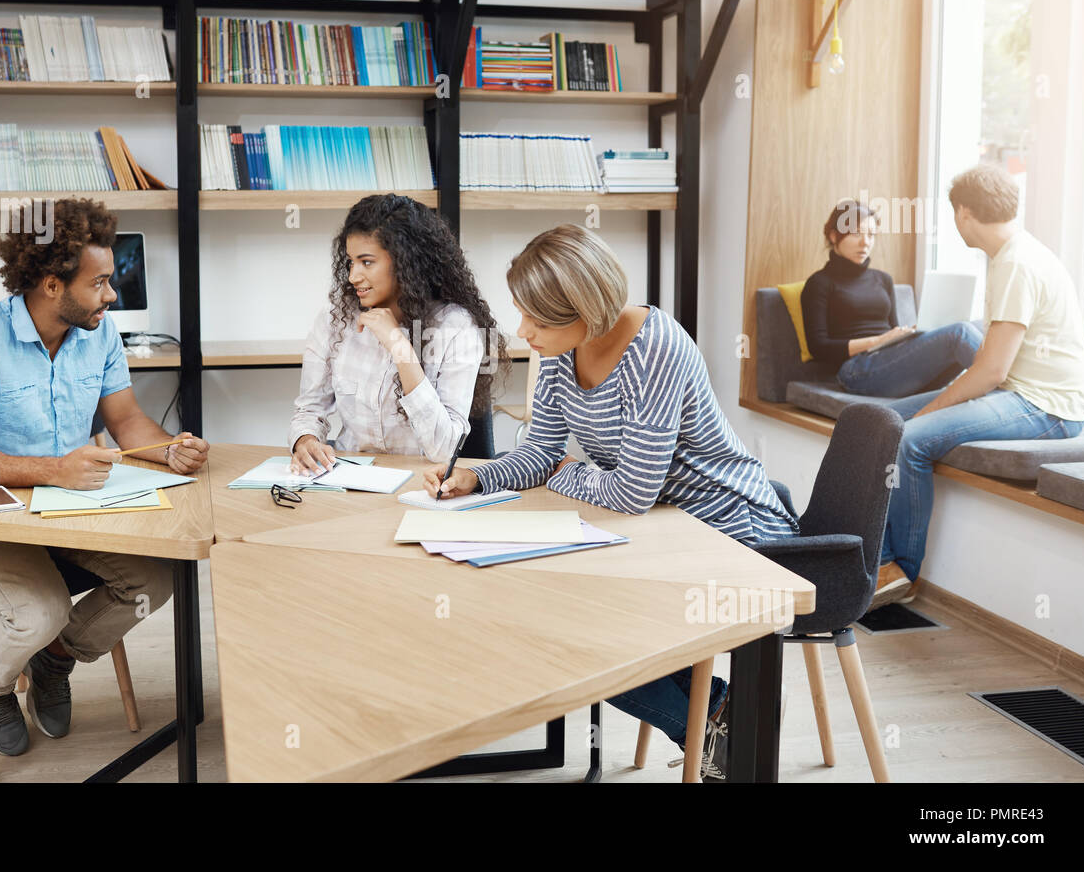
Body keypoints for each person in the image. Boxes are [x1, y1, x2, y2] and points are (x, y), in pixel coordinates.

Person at [423, 224, 798, 778]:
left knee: (584, 627)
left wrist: (566, 473)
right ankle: (716, 712)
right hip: (664, 527)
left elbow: (630, 492)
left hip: (735, 529)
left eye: (537, 319)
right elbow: (542, 453)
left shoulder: (656, 348)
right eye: (521, 313)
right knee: (557, 612)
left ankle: (718, 717)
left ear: (585, 309)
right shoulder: (560, 349)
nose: (523, 331)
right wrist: (480, 479)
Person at [0, 197, 210, 757]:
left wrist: (169, 448)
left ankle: (54, 659)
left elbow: (127, 420)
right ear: (52, 285)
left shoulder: (99, 334)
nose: (112, 295)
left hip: (73, 507)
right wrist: (54, 470)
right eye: (100, 282)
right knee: (40, 610)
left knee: (157, 580)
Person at [871, 165, 1084, 608]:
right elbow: (994, 364)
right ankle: (869, 559)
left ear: (964, 214)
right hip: (1021, 391)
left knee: (910, 437)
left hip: (1047, 407)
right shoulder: (1011, 255)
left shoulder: (1016, 263)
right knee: (883, 422)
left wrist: (931, 411)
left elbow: (991, 372)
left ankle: (901, 571)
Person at [289, 193, 507, 472]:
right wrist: (306, 441)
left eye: (367, 262)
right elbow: (309, 410)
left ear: (406, 261)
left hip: (422, 484)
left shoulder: (455, 328)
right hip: (350, 478)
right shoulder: (337, 318)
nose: (353, 275)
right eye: (350, 262)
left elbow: (444, 449)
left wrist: (400, 348)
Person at [802, 199, 981, 398]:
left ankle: (991, 387)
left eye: (871, 234)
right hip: (856, 369)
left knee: (978, 325)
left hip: (891, 360)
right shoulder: (819, 283)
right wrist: (879, 341)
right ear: (834, 236)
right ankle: (1005, 386)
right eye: (856, 233)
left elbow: (892, 330)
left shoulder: (883, 279)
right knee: (960, 333)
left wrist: (910, 332)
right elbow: (818, 347)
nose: (866, 242)